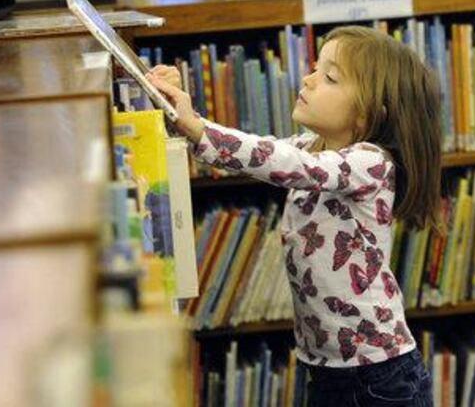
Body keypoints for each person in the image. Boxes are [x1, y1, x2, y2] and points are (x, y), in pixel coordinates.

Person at [147, 25, 437, 406]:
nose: (309, 79)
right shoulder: (311, 147)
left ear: (367, 115)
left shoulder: (371, 163)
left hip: (379, 375)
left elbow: (287, 163)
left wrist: (196, 127)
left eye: (330, 77)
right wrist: (177, 113)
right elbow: (258, 152)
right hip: (327, 367)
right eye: (316, 67)